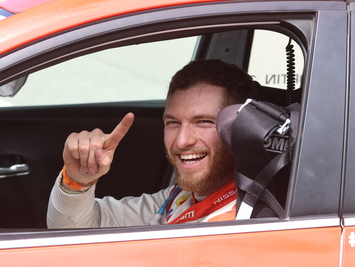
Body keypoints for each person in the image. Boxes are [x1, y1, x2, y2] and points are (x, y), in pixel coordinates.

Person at [47, 59, 256, 228]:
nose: (182, 141)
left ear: (240, 130)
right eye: (173, 122)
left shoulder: (237, 225)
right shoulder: (180, 197)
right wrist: (77, 180)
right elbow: (79, 229)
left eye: (203, 122)